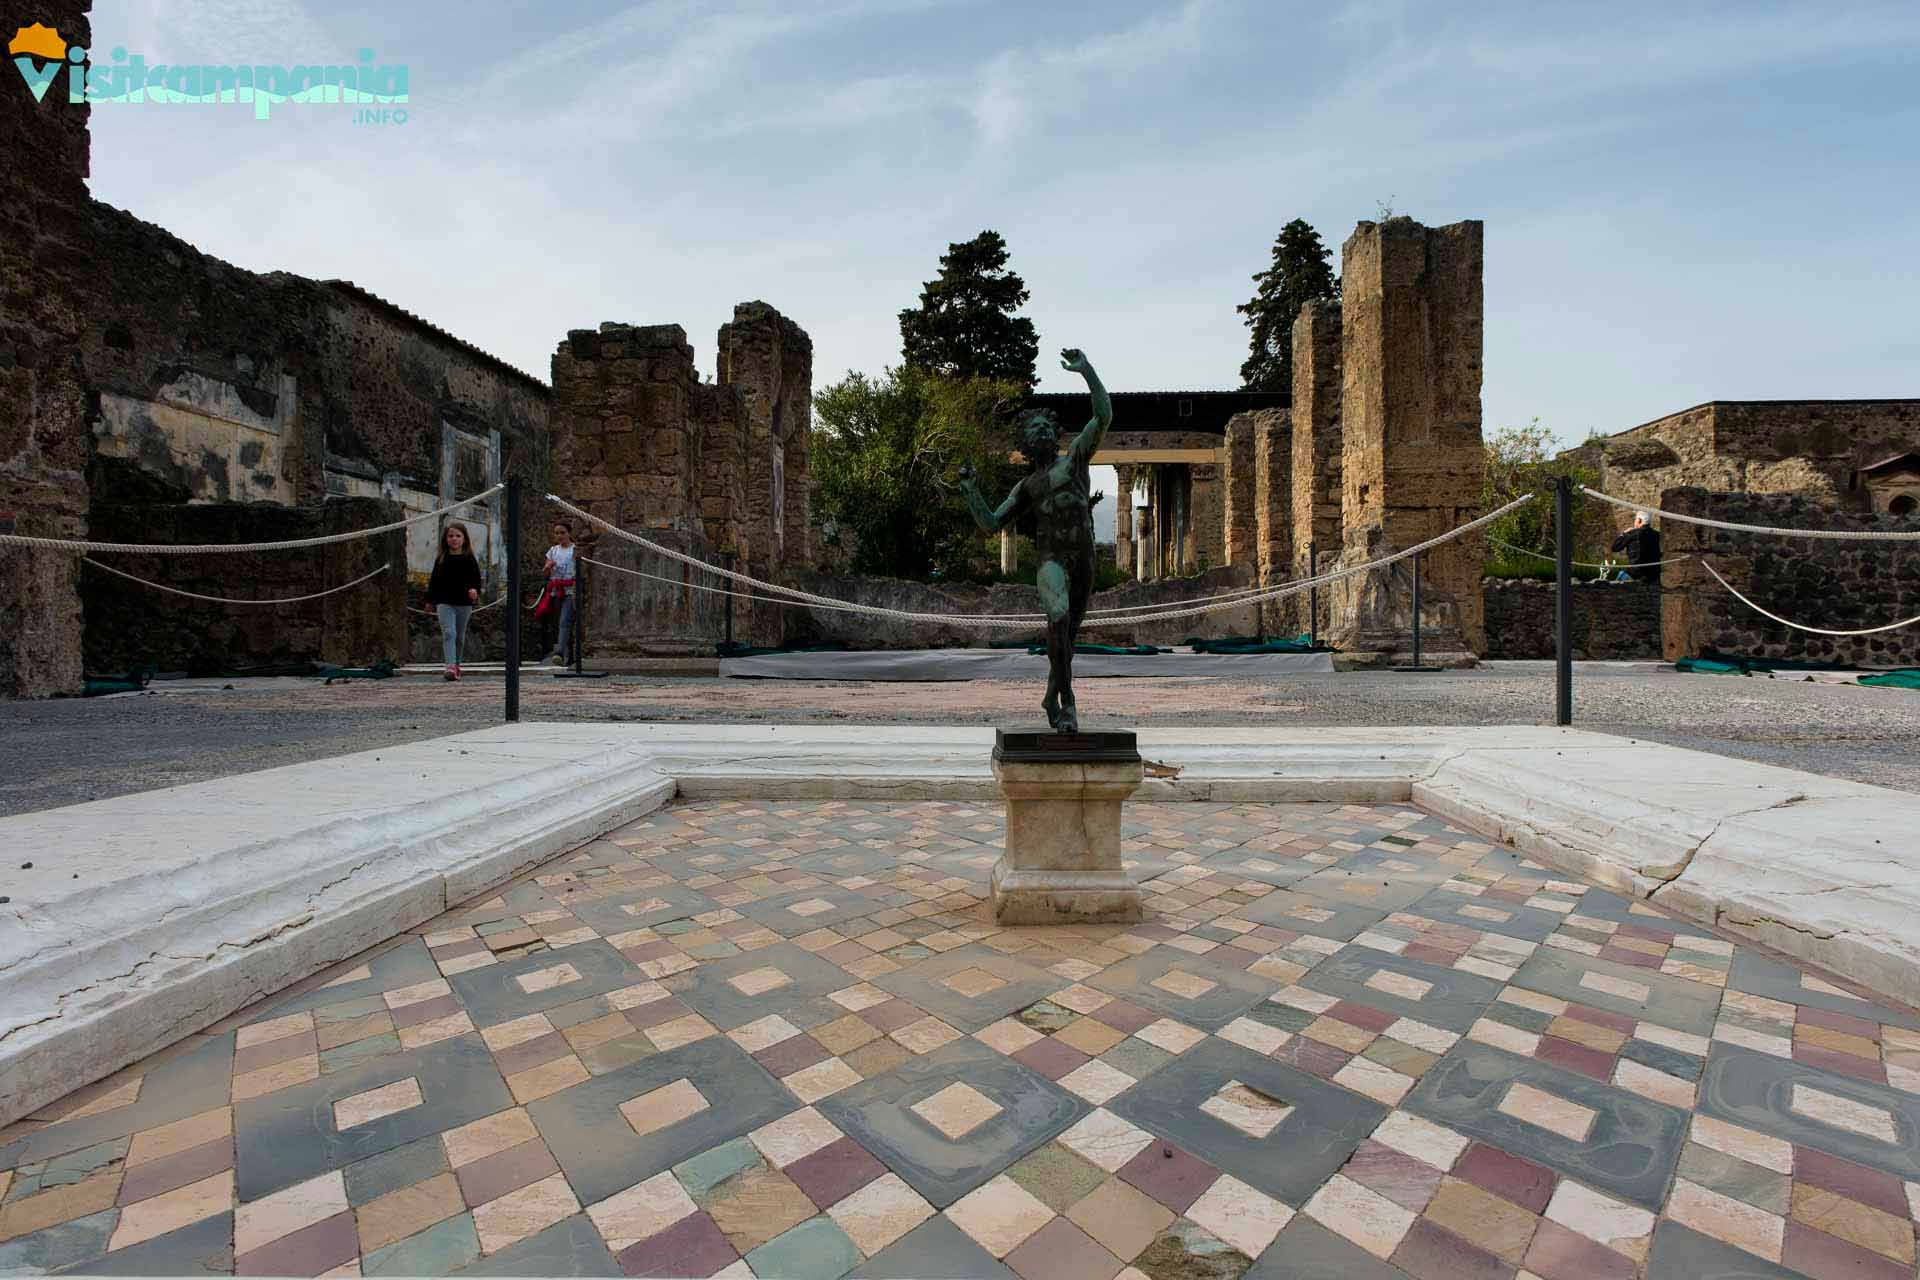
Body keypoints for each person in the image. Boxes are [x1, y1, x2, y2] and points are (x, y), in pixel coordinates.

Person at [958, 348, 1110, 733]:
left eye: (1046, 425)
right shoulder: (1027, 486)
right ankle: (1067, 703)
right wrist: (970, 491)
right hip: (1051, 560)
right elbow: (992, 522)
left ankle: (1049, 694)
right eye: (1033, 428)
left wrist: (1087, 371)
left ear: (1055, 434)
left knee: (1068, 637)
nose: (1041, 431)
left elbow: (1103, 415)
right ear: (1024, 443)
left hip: (1084, 554)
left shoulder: (1074, 459)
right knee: (1058, 622)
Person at [427, 521, 483, 681]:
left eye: (458, 536)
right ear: (445, 539)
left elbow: (477, 580)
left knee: (459, 636)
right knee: (449, 633)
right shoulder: (441, 559)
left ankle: (457, 664)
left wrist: (475, 591)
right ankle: (450, 666)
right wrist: (430, 600)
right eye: (451, 536)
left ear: (464, 539)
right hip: (444, 601)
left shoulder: (469, 559)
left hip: (464, 603)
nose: (454, 539)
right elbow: (434, 581)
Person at [537, 520, 578, 665]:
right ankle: (569, 654)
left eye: (562, 533)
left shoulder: (575, 549)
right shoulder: (553, 551)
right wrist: (548, 567)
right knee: (560, 623)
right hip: (555, 591)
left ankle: (560, 652)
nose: (559, 536)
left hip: (570, 590)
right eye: (557, 533)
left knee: (564, 621)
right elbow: (546, 572)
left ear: (569, 533)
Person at [1610, 510, 1664, 584]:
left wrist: (1624, 534)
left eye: (1635, 519)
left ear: (1639, 520)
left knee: (1616, 583)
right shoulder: (1657, 535)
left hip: (1635, 573)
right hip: (1654, 575)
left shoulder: (1632, 534)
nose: (1634, 521)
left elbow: (1615, 548)